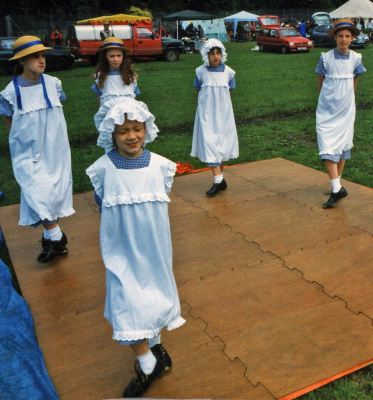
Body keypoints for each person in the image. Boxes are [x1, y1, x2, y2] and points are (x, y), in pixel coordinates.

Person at [87, 98, 185, 397]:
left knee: (153, 298)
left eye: (137, 128)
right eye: (122, 131)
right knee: (125, 304)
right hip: (121, 252)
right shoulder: (102, 170)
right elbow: (102, 206)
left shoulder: (161, 167)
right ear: (110, 135)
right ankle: (147, 363)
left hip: (154, 251)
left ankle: (154, 348)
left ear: (146, 128)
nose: (131, 136)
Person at [0, 36, 74, 263]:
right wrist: (21, 143)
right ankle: (57, 236)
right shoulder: (11, 92)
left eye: (43, 56)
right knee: (35, 190)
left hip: (54, 149)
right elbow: (9, 121)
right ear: (22, 61)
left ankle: (51, 242)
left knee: (51, 193)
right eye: (35, 57)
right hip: (27, 152)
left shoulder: (53, 84)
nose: (42, 61)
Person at [315, 19, 366, 209]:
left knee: (342, 144)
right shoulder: (326, 58)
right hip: (327, 109)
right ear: (335, 38)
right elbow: (321, 81)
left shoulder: (356, 59)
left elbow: (354, 81)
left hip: (346, 109)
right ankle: (337, 188)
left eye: (347, 36)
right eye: (340, 36)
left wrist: (348, 100)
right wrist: (326, 100)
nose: (343, 40)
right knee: (326, 144)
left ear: (352, 38)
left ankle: (337, 186)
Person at [191, 39, 238, 197]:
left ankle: (220, 179)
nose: (215, 56)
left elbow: (228, 93)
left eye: (218, 53)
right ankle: (218, 180)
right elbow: (199, 93)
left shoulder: (229, 73)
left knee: (222, 146)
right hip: (207, 115)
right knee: (210, 143)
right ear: (206, 55)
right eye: (212, 53)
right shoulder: (200, 72)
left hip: (224, 115)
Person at [91, 37, 140, 109]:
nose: (116, 59)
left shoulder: (131, 76)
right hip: (109, 115)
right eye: (112, 56)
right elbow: (100, 98)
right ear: (106, 57)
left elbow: (134, 97)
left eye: (119, 55)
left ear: (123, 56)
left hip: (128, 115)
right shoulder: (100, 77)